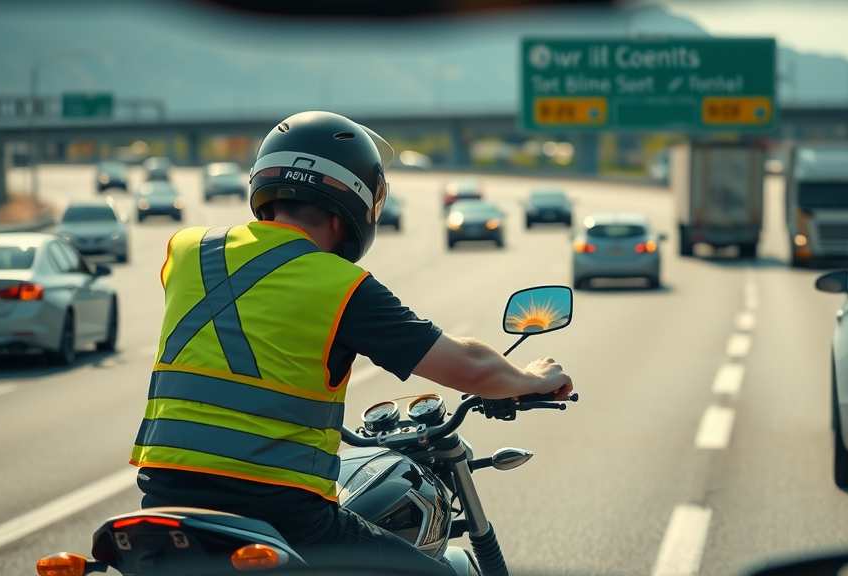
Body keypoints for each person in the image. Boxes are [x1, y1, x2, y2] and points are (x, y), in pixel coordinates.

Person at [129, 111, 573, 573]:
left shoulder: (187, 251)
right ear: (355, 205)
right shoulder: (341, 286)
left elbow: (244, 338)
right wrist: (530, 378)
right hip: (282, 513)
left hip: (164, 502)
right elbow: (471, 368)